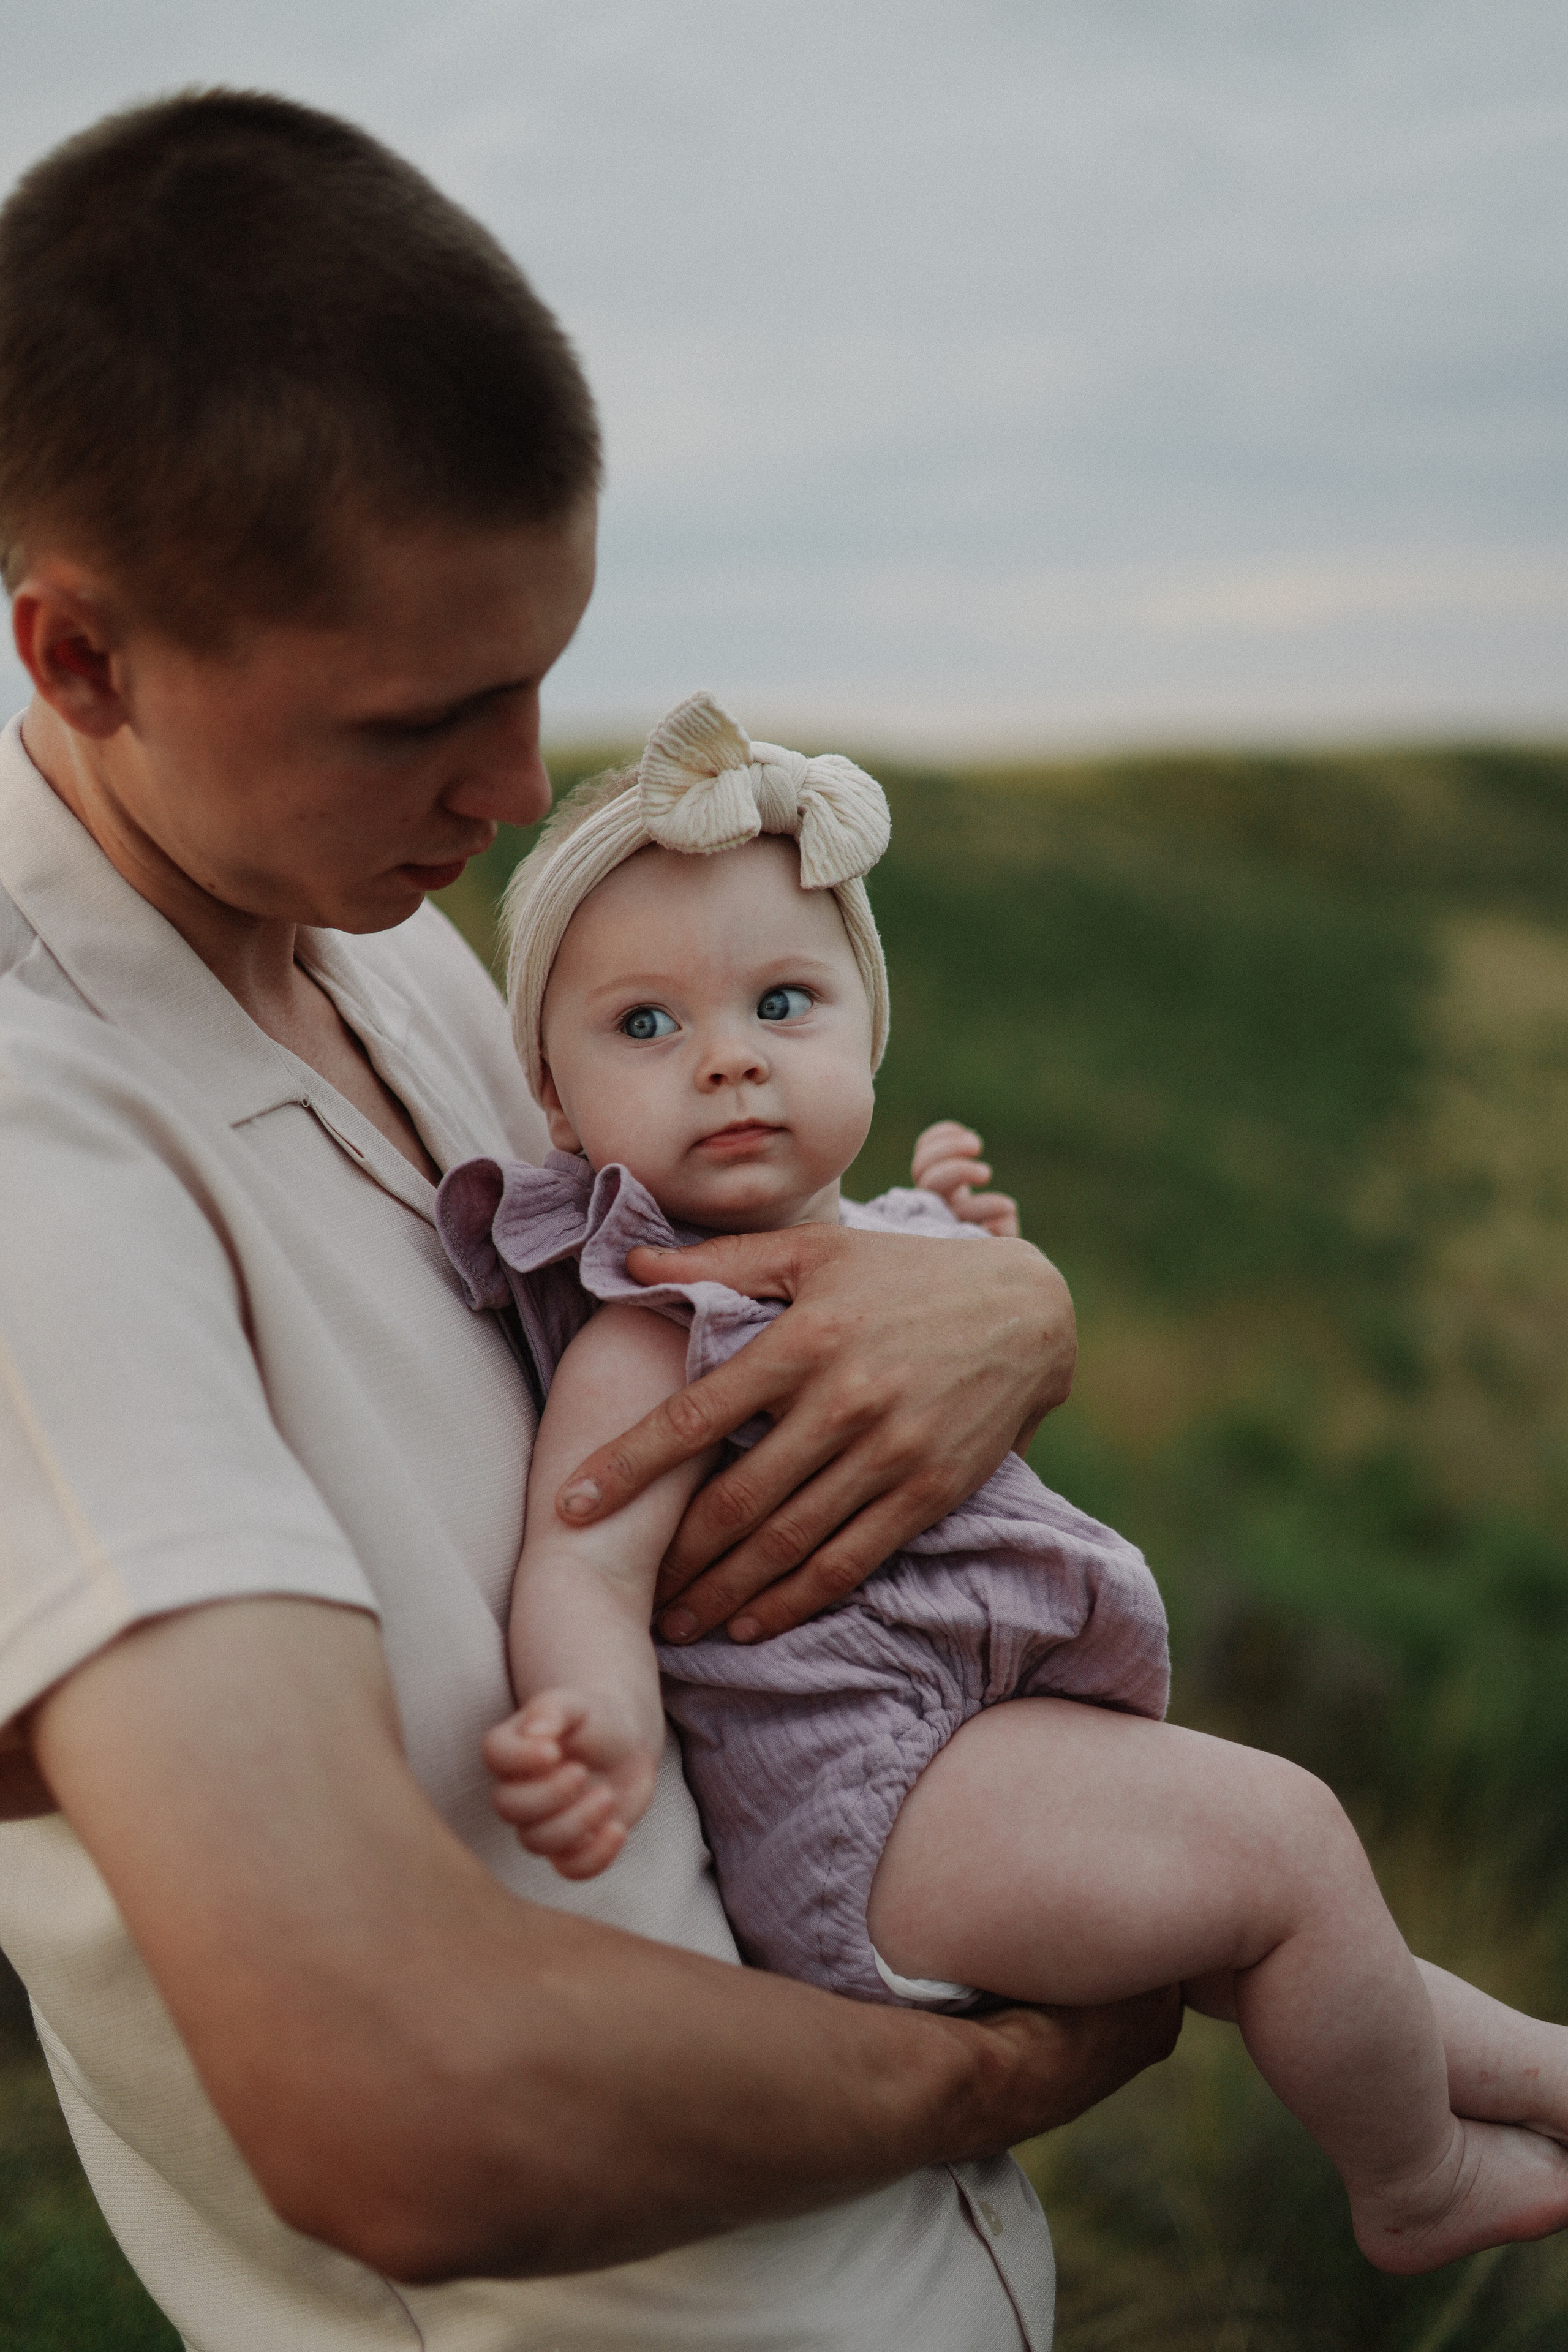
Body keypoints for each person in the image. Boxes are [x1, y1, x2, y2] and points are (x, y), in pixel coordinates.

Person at [0, 89, 1180, 2352]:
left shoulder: (365, 930)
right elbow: (390, 2104)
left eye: (543, 671)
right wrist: (999, 2073)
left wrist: (1001, 1307)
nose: (522, 787)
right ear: (83, 662)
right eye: (418, 719)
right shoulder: (38, 1148)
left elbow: (694, 1288)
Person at [447, 688, 1568, 2280]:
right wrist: (598, 1720)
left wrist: (961, 1231)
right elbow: (584, 1563)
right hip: (862, 1806)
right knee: (1287, 1845)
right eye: (645, 1027)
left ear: (868, 1034)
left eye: (784, 1003)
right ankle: (1416, 2183)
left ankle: (1536, 2071)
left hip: (962, 1747)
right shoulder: (653, 1326)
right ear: (557, 1104)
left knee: (1265, 1927)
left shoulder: (892, 1251)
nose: (729, 1061)